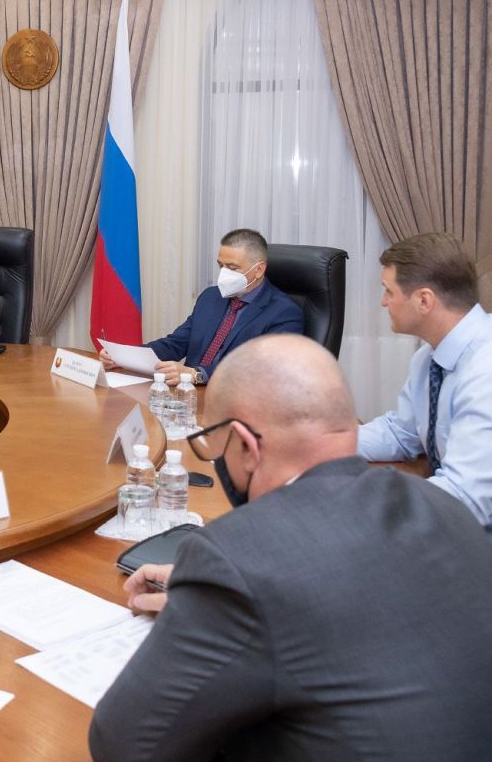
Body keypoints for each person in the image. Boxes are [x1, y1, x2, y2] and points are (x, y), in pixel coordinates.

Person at [89, 334, 492, 762]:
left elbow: (123, 744)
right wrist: (211, 604)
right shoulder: (442, 506)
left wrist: (223, 596)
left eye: (214, 445)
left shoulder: (239, 557)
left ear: (245, 445)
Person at [357, 232, 492, 526]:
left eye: (388, 291)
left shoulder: (484, 372)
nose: (383, 302)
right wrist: (324, 443)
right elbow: (400, 432)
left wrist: (368, 502)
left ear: (424, 300)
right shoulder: (429, 358)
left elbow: (465, 498)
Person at [99, 229, 302, 384]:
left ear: (258, 270)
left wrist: (197, 374)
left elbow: (263, 371)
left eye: (232, 268)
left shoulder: (284, 313)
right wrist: (125, 357)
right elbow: (176, 343)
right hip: (186, 396)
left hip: (234, 401)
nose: (224, 274)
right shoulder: (211, 297)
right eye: (221, 265)